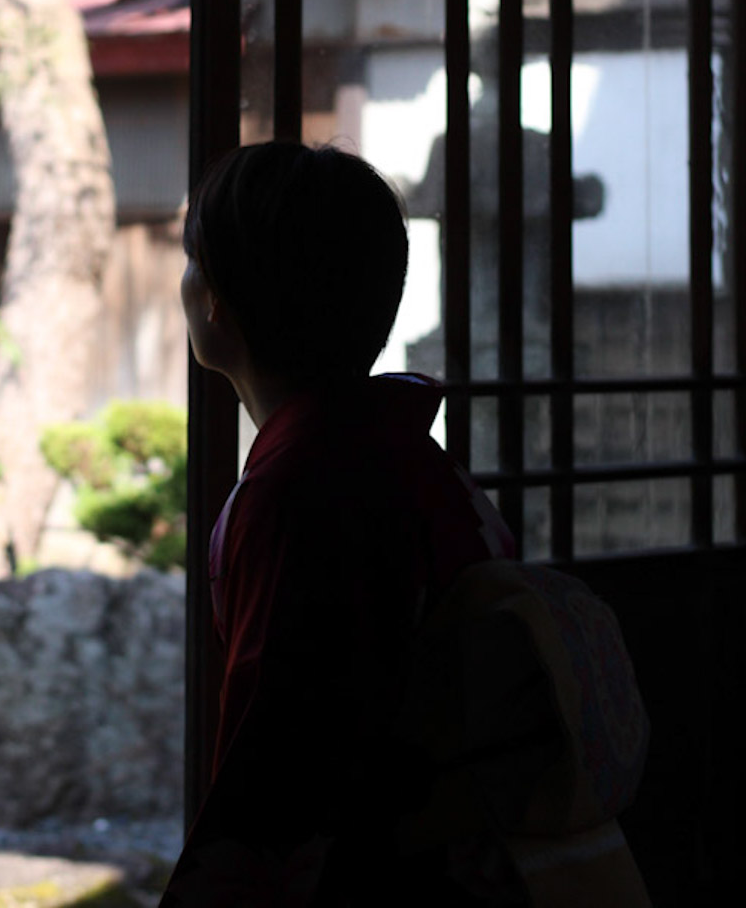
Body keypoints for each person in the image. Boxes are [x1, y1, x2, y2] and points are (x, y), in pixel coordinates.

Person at [162, 143, 647, 906]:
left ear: (217, 297)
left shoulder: (305, 487)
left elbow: (283, 768)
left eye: (193, 262)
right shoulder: (403, 454)